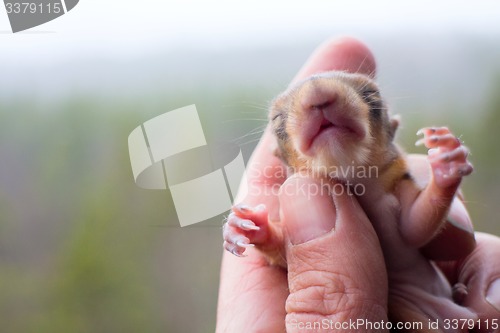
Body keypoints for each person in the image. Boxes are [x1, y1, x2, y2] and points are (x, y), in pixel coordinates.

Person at [216, 37, 500, 332]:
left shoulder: (395, 180)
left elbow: (416, 229)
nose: (317, 100)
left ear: (390, 132)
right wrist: (262, 234)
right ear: (283, 160)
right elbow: (286, 252)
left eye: (369, 98)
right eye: (279, 121)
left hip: (437, 304)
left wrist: (443, 183)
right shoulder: (300, 208)